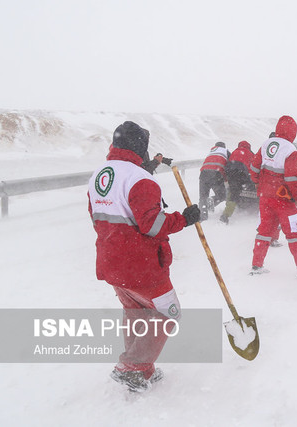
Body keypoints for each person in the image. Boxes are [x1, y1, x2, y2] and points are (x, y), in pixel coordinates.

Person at [88, 121, 200, 392]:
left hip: (111, 263)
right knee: (167, 314)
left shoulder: (100, 174)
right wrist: (184, 219)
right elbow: (153, 224)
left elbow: (98, 215)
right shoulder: (141, 180)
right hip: (143, 268)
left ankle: (142, 371)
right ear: (141, 147)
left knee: (136, 315)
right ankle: (131, 367)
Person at [249, 115, 297, 278]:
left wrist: (258, 183)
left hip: (265, 197)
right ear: (293, 131)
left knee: (264, 230)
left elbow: (253, 167)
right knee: (294, 231)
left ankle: (257, 265)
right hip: (283, 199)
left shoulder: (265, 144)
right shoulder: (290, 150)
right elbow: (291, 178)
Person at [220, 140, 255, 224]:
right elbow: (253, 167)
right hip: (241, 172)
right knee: (235, 193)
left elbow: (228, 163)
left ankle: (229, 205)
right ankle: (225, 215)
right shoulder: (250, 153)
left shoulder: (235, 151)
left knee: (232, 190)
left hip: (230, 172)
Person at [199, 141, 229, 221]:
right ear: (224, 147)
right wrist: (227, 181)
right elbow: (230, 166)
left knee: (203, 196)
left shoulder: (211, 152)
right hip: (216, 174)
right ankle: (213, 200)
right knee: (222, 195)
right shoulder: (225, 151)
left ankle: (203, 216)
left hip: (203, 174)